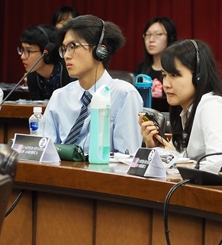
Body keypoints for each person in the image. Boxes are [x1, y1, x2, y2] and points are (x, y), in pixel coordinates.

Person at [138, 39, 222, 167]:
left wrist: (174, 159)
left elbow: (218, 166)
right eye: (164, 75)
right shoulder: (185, 111)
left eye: (174, 75)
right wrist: (155, 148)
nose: (166, 84)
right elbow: (179, 160)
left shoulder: (213, 106)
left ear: (198, 76)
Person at [44, 15, 142, 154]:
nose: (66, 55)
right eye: (64, 49)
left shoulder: (123, 94)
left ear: (99, 51)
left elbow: (127, 157)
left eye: (73, 46)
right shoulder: (60, 96)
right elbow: (44, 150)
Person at [19, 24, 75, 100]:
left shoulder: (69, 73)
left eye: (29, 51)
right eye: (22, 50)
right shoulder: (32, 75)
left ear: (48, 52)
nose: (22, 57)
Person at [134, 17, 177, 96]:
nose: (151, 39)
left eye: (158, 34)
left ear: (171, 38)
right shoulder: (140, 69)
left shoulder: (176, 69)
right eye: (147, 34)